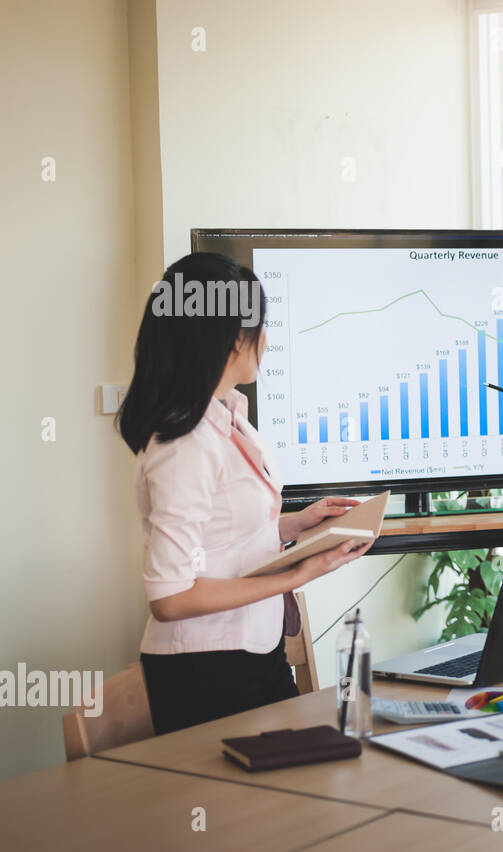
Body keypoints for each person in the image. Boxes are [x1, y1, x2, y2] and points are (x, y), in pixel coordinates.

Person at [118, 252, 373, 734]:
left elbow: (219, 532)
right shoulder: (185, 444)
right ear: (234, 336)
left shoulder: (228, 417)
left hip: (253, 649)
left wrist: (298, 523)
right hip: (206, 668)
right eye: (262, 326)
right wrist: (299, 571)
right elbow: (169, 598)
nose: (267, 340)